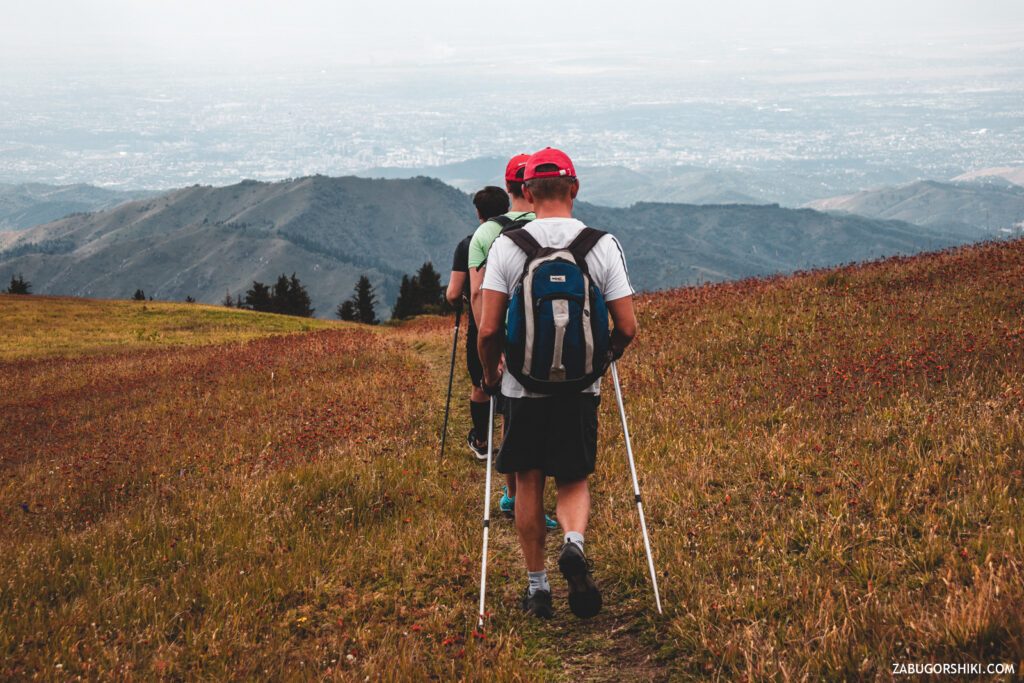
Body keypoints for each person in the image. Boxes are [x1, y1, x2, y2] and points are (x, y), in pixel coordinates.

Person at [477, 147, 637, 619]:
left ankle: (538, 587)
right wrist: (603, 360)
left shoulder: (509, 246)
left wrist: (491, 375)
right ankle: (573, 542)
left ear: (526, 192)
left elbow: (488, 329)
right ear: (575, 188)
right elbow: (627, 326)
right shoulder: (600, 244)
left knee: (528, 478)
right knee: (573, 475)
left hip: (523, 385)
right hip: (580, 387)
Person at [467, 158, 555, 530]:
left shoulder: (486, 234)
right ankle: (539, 500)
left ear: (509, 188)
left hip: (505, 338)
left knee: (509, 415)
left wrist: (490, 343)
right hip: (551, 337)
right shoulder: (550, 226)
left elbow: (475, 294)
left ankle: (512, 495)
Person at [446, 186, 509, 460]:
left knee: (480, 381)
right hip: (517, 317)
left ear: (478, 213)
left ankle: (482, 441)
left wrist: (458, 299)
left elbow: (452, 293)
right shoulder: (520, 236)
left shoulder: (469, 243)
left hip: (482, 320)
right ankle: (510, 441)